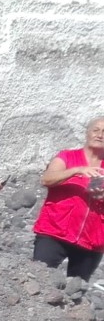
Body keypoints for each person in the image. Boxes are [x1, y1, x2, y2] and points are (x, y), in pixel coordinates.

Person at [30, 117, 104, 280]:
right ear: (87, 133)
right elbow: (46, 179)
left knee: (76, 290)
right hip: (54, 231)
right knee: (40, 280)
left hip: (91, 239)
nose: (100, 135)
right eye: (96, 130)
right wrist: (76, 170)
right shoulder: (67, 157)